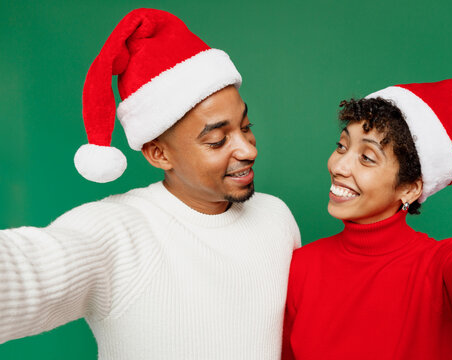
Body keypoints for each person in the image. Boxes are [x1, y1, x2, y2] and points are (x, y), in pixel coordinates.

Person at [0, 8, 300, 359]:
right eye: (218, 140)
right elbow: (26, 268)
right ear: (159, 154)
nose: (248, 149)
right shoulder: (117, 230)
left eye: (245, 127)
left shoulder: (275, 217)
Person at [282, 78, 452, 360]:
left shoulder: (439, 270)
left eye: (367, 158)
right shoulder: (300, 267)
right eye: (342, 146)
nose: (339, 165)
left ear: (410, 188)